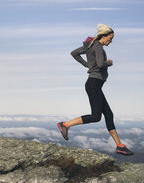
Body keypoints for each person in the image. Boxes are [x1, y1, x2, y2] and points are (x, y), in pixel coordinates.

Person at [57, 24, 134, 156]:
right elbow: (100, 64)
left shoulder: (91, 46)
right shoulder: (98, 46)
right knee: (96, 116)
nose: (111, 41)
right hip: (94, 83)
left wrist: (87, 64)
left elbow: (74, 53)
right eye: (110, 38)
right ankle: (65, 124)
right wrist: (109, 62)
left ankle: (120, 146)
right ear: (103, 37)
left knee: (108, 115)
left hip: (95, 84)